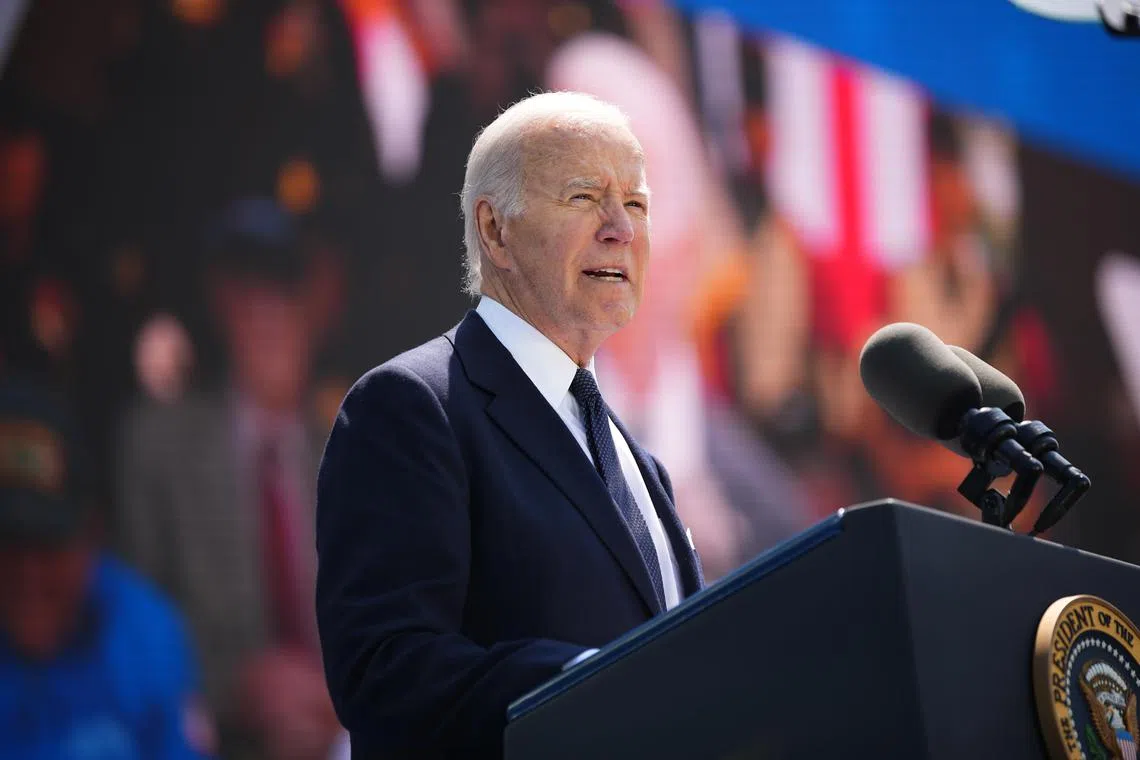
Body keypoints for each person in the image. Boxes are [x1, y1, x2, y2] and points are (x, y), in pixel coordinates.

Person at [315, 91, 704, 758]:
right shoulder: (412, 408)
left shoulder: (644, 467)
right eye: (585, 197)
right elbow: (385, 674)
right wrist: (592, 684)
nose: (621, 229)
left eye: (636, 204)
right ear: (494, 231)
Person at [116, 199, 342, 760]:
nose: (267, 316)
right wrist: (240, 685)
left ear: (316, 307)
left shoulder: (355, 441)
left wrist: (336, 698)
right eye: (248, 295)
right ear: (221, 306)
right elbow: (128, 619)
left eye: (284, 294)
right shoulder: (159, 446)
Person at [0, 377, 210, 759]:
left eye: (47, 543)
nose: (29, 574)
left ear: (91, 536)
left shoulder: (145, 634)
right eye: (9, 544)